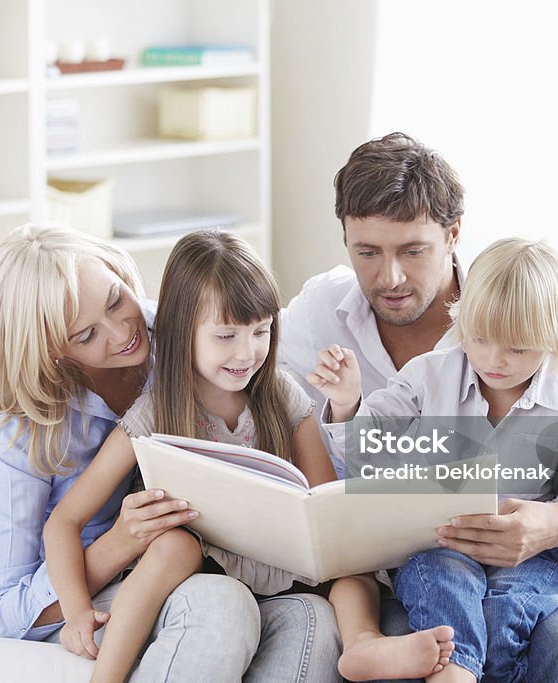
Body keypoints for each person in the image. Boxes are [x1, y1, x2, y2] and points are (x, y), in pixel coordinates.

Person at [279, 133, 558, 682]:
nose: (388, 277)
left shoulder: (531, 316)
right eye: (367, 252)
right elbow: (226, 345)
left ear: (453, 234)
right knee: (441, 590)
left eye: (412, 250)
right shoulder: (325, 312)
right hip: (410, 561)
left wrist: (552, 523)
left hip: (529, 559)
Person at [43, 229, 455, 683]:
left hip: (286, 571)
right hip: (202, 566)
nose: (247, 352)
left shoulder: (280, 393)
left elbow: (322, 502)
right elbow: (64, 521)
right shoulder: (155, 411)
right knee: (173, 545)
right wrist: (78, 608)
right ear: (183, 332)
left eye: (260, 331)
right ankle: (107, 676)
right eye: (225, 336)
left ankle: (362, 643)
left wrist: (344, 409)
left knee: (350, 557)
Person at [0, 224, 341, 682]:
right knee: (219, 602)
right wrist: (117, 548)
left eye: (115, 300)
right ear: (52, 351)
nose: (123, 330)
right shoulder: (25, 429)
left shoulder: (190, 334)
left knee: (311, 620)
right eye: (87, 334)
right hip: (116, 582)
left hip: (225, 564)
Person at [313, 238, 558, 682]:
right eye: (480, 339)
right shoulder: (427, 375)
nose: (494, 360)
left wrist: (557, 517)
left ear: (554, 340)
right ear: (463, 320)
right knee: (441, 577)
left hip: (528, 557)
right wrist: (347, 404)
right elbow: (367, 448)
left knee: (507, 609)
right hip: (440, 543)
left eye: (518, 348)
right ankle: (455, 672)